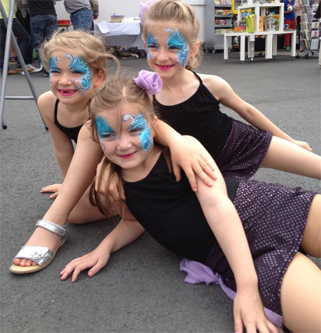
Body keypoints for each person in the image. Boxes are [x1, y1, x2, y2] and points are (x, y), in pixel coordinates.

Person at [60, 76, 321, 333]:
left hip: (264, 207)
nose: (124, 144)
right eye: (109, 135)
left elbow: (219, 206)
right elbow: (135, 219)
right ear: (96, 135)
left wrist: (247, 287)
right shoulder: (115, 178)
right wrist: (104, 247)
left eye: (135, 129)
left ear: (153, 125)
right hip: (236, 255)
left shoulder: (184, 150)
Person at [9, 30, 217, 274]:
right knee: (74, 211)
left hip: (133, 167)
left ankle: (57, 222)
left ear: (98, 78)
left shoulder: (107, 102)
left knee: (92, 130)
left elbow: (153, 125)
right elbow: (63, 148)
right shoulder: (47, 103)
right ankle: (101, 211)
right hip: (105, 165)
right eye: (56, 72)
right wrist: (70, 187)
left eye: (76, 72)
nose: (64, 81)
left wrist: (178, 143)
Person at [141, 0, 321, 180]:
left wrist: (290, 141)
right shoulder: (146, 95)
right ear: (144, 45)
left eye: (173, 47)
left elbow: (247, 110)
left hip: (240, 143)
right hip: (204, 169)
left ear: (193, 50)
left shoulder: (211, 84)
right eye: (153, 46)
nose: (162, 56)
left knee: (316, 165)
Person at [28, 0, 58, 77]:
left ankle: (46, 68)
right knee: (52, 42)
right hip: (50, 14)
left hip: (36, 15)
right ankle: (53, 67)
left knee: (39, 45)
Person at [0, 0, 31, 75]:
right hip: (9, 16)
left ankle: (3, 68)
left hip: (2, 16)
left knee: (2, 44)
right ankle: (20, 65)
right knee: (25, 38)